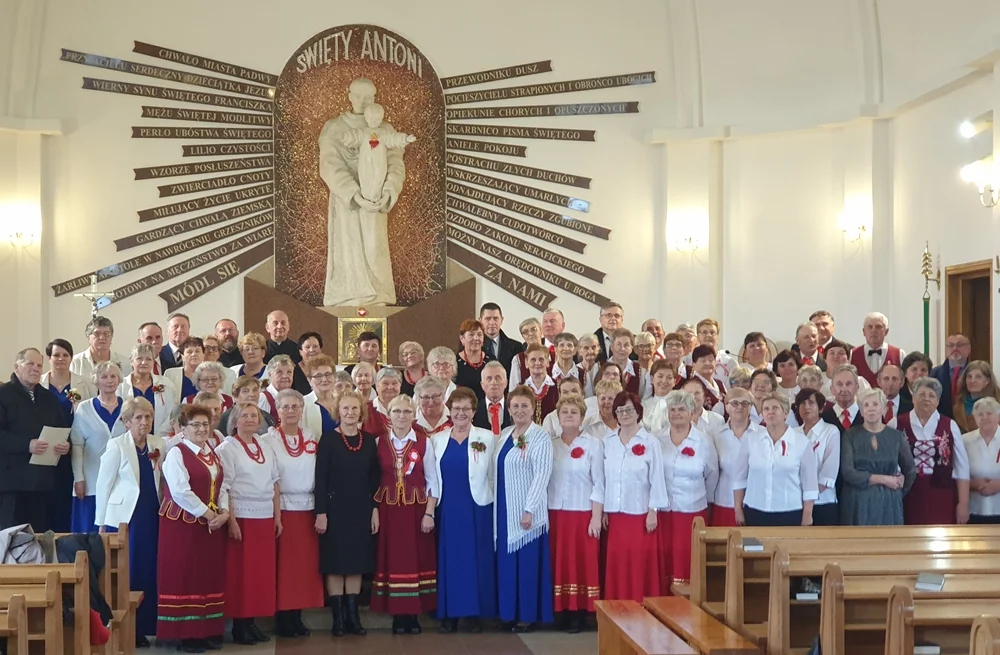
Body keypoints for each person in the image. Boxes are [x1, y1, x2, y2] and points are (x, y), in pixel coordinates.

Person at [320, 78, 403, 306]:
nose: (364, 102)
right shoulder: (335, 127)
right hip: (348, 201)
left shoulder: (385, 130)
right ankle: (350, 295)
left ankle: (378, 295)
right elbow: (330, 164)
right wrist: (354, 194)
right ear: (349, 95)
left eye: (369, 97)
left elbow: (396, 163)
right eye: (358, 96)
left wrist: (388, 191)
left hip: (375, 196)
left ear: (375, 99)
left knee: (374, 245)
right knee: (348, 247)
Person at [157, 404, 230, 653]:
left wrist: (224, 512)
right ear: (183, 428)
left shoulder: (211, 451)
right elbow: (180, 491)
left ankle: (206, 629)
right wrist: (209, 514)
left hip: (210, 524)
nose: (201, 429)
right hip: (183, 525)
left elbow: (223, 484)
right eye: (195, 425)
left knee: (206, 574)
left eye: (205, 424)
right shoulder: (177, 452)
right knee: (185, 574)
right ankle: (185, 634)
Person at [94, 397, 164, 647]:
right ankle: (130, 628)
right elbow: (103, 485)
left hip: (152, 513)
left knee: (149, 568)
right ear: (127, 422)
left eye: (148, 417)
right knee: (129, 570)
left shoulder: (158, 444)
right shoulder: (117, 446)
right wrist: (101, 522)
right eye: (139, 418)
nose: (145, 422)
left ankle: (148, 625)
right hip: (126, 518)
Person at [431, 388, 497, 634]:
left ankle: (473, 615)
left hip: (477, 506)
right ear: (449, 410)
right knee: (451, 561)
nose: (461, 413)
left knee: (476, 561)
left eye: (466, 409)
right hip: (448, 508)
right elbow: (432, 478)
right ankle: (449, 614)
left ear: (473, 411)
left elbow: (493, 475)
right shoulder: (437, 440)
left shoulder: (487, 437)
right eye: (456, 408)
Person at [372, 394, 439, 635]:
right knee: (394, 560)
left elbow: (432, 479)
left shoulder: (424, 442)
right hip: (388, 510)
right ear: (388, 415)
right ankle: (398, 616)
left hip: (416, 510)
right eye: (397, 412)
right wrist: (374, 512)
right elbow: (371, 479)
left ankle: (413, 615)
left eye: (406, 412)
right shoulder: (378, 442)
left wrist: (429, 513)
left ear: (414, 415)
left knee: (416, 559)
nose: (402, 416)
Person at [314, 389, 379, 637]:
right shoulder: (329, 440)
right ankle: (338, 619)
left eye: (354, 408)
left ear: (360, 411)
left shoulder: (369, 440)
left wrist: (375, 509)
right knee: (335, 563)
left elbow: (374, 479)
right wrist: (321, 512)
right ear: (338, 412)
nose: (350, 412)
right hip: (334, 509)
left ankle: (353, 618)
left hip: (361, 508)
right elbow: (320, 479)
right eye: (345, 408)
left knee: (355, 562)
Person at [216, 403, 281, 645]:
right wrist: (232, 521)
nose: (251, 419)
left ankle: (251, 622)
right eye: (244, 415)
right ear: (234, 421)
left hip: (264, 515)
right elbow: (225, 488)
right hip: (242, 516)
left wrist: (277, 517)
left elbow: (275, 481)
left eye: (254, 415)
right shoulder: (227, 449)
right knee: (241, 574)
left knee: (258, 574)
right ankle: (239, 626)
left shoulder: (264, 444)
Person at [260, 389, 323, 638]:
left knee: (303, 568)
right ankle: (283, 619)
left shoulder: (310, 436)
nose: (290, 411)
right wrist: (276, 516)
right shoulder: (268, 439)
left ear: (302, 409)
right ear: (277, 410)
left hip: (307, 508)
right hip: (282, 509)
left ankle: (297, 616)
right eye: (285, 407)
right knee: (284, 568)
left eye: (295, 406)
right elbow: (271, 478)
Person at [494, 385, 553, 632]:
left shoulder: (540, 436)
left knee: (527, 566)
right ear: (509, 409)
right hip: (504, 509)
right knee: (508, 565)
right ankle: (508, 613)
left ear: (533, 409)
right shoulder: (505, 434)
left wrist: (529, 509)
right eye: (515, 406)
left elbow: (542, 474)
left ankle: (527, 615)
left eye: (524, 406)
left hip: (527, 512)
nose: (519, 410)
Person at [602, 390, 668, 602]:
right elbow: (602, 479)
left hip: (640, 514)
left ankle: (641, 608)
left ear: (638, 411)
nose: (624, 414)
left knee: (639, 564)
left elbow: (657, 479)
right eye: (620, 410)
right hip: (615, 514)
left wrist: (653, 511)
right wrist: (603, 509)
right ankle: (618, 608)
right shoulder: (608, 441)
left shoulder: (650, 442)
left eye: (629, 409)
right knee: (618, 564)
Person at [548, 394, 604, 633]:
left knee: (580, 564)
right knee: (558, 563)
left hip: (582, 513)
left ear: (582, 417)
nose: (569, 415)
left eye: (574, 412)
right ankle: (559, 610)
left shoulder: (593, 444)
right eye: (564, 412)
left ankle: (579, 613)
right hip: (555, 514)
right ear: (558, 417)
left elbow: (600, 483)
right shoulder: (550, 444)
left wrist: (596, 516)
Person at [0, 348, 72, 532]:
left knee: (40, 539)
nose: (35, 369)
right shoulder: (4, 394)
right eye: (30, 364)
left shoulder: (49, 398)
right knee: (12, 541)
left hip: (42, 483)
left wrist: (65, 446)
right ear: (17, 366)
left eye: (39, 365)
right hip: (12, 484)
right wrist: (27, 444)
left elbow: (62, 430)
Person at [653, 390, 718, 585]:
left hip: (691, 510)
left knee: (687, 561)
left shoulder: (704, 441)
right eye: (672, 409)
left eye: (681, 409)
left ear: (691, 413)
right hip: (663, 512)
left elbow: (712, 474)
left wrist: (703, 498)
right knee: (664, 560)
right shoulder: (656, 439)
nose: (676, 413)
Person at [891, 377, 970, 524]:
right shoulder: (896, 423)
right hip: (906, 493)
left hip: (942, 493)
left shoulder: (950, 425)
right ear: (913, 398)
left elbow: (962, 468)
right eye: (921, 394)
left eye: (932, 395)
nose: (926, 399)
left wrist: (963, 504)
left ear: (938, 401)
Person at [733, 392, 818, 526]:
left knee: (786, 548)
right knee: (753, 547)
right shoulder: (751, 440)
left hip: (789, 512)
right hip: (755, 510)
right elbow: (739, 478)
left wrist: (807, 514)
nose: (770, 412)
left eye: (775, 408)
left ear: (785, 413)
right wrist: (738, 509)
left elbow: (810, 484)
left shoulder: (802, 442)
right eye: (766, 409)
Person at [839, 388, 916, 525]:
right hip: (857, 503)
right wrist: (884, 479)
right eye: (866, 405)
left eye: (875, 404)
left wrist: (898, 492)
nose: (871, 409)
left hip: (889, 504)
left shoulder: (896, 436)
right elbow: (848, 472)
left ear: (883, 408)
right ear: (861, 411)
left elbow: (910, 470)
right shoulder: (850, 435)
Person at [71, 362, 127, 532]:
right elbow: (77, 445)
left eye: (113, 376)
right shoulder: (84, 408)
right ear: (96, 381)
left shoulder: (128, 407)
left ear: (119, 380)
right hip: (91, 480)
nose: (109, 381)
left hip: (121, 480)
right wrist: (79, 478)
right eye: (104, 377)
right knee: (91, 533)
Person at [712, 388, 762, 526]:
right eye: (734, 403)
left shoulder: (762, 434)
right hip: (723, 500)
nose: (740, 407)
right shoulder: (715, 435)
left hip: (754, 501)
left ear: (751, 407)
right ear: (726, 407)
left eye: (745, 403)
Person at [792, 389, 840, 525]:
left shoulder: (831, 431)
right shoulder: (793, 433)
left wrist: (808, 497)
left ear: (820, 408)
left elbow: (828, 472)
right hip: (796, 502)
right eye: (802, 403)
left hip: (823, 502)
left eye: (811, 403)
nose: (806, 407)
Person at [119, 344, 177, 437]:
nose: (144, 362)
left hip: (160, 439)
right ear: (131, 361)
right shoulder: (121, 386)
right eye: (139, 359)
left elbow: (172, 413)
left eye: (148, 359)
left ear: (153, 362)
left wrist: (157, 438)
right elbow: (121, 416)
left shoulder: (166, 384)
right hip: (130, 438)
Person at [963, 397, 1000, 524]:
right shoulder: (965, 441)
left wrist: (998, 485)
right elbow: (958, 472)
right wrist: (974, 484)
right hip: (974, 508)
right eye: (980, 414)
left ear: (998, 416)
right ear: (974, 418)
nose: (985, 417)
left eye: (989, 413)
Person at [42, 338, 96, 421]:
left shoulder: (86, 384)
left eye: (65, 355)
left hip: (76, 432)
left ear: (71, 358)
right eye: (56, 355)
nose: (61, 358)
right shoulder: (38, 383)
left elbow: (92, 412)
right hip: (47, 432)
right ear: (49, 358)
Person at [850, 312, 905, 389]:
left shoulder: (899, 354)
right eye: (870, 327)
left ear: (886, 331)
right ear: (864, 332)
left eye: (878, 327)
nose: (873, 330)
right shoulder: (852, 353)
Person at [70, 315, 131, 379]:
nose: (102, 337)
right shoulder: (75, 362)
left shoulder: (124, 363)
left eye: (106, 333)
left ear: (111, 337)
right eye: (97, 333)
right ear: (88, 337)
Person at [931, 334, 971, 418]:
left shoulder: (977, 373)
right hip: (941, 422)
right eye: (951, 345)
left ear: (969, 349)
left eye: (959, 345)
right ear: (946, 349)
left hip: (969, 422)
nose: (955, 348)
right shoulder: (934, 374)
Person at [953, 361, 1000, 432]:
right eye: (969, 376)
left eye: (978, 377)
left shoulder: (996, 403)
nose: (972, 381)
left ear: (987, 381)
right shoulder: (958, 404)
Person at [479, 302, 524, 376]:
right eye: (488, 318)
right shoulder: (474, 346)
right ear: (480, 320)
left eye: (496, 318)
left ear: (502, 320)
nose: (492, 322)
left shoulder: (516, 346)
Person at [520, 343, 560, 425]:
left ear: (547, 362)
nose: (537, 363)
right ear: (526, 363)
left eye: (541, 359)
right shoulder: (520, 390)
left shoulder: (558, 386)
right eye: (533, 360)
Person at [303, 354, 339, 438]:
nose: (324, 379)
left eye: (328, 374)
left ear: (334, 377)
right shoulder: (303, 403)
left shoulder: (341, 401)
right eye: (318, 376)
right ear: (309, 380)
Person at [821, 365, 864, 434]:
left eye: (848, 384)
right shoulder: (823, 419)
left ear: (857, 387)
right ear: (832, 389)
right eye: (839, 384)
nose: (844, 389)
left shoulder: (868, 416)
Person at [474, 361, 511, 438]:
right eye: (489, 379)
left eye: (498, 378)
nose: (493, 382)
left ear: (506, 383)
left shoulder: (514, 407)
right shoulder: (474, 409)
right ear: (482, 385)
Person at [509, 318, 549, 388]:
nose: (530, 334)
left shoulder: (553, 355)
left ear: (541, 332)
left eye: (534, 329)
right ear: (523, 337)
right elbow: (513, 389)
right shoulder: (518, 359)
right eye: (525, 332)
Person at [609, 329, 648, 398]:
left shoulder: (639, 371)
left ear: (631, 348)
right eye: (619, 344)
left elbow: (642, 397)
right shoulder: (599, 367)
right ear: (612, 347)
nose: (622, 349)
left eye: (626, 345)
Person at [364, 367, 400, 441]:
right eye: (385, 383)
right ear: (377, 386)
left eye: (394, 383)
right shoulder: (365, 408)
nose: (390, 387)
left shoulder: (408, 409)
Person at [642, 360, 678, 433]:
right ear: (652, 379)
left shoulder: (680, 404)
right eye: (660, 376)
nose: (664, 381)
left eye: (669, 377)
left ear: (674, 382)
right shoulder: (643, 405)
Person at [257, 355, 296, 422]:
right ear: (269, 375)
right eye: (279, 372)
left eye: (289, 372)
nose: (285, 376)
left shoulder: (296, 397)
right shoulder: (263, 398)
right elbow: (260, 429)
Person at [688, 345, 726, 413]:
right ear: (694, 365)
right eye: (703, 361)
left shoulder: (719, 383)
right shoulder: (692, 385)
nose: (708, 363)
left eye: (711, 360)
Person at [899, 351, 933, 416]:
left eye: (923, 370)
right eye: (914, 369)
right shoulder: (899, 394)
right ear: (905, 373)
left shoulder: (933, 394)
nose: (919, 373)